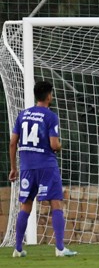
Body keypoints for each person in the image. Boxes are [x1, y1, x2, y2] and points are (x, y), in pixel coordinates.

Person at [9, 80, 77, 257]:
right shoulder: (50, 116)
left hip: (26, 167)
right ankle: (60, 249)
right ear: (48, 96)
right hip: (46, 165)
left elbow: (12, 143)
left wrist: (13, 168)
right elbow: (54, 145)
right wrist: (60, 146)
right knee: (56, 203)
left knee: (25, 206)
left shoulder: (22, 115)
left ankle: (17, 248)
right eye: (52, 94)